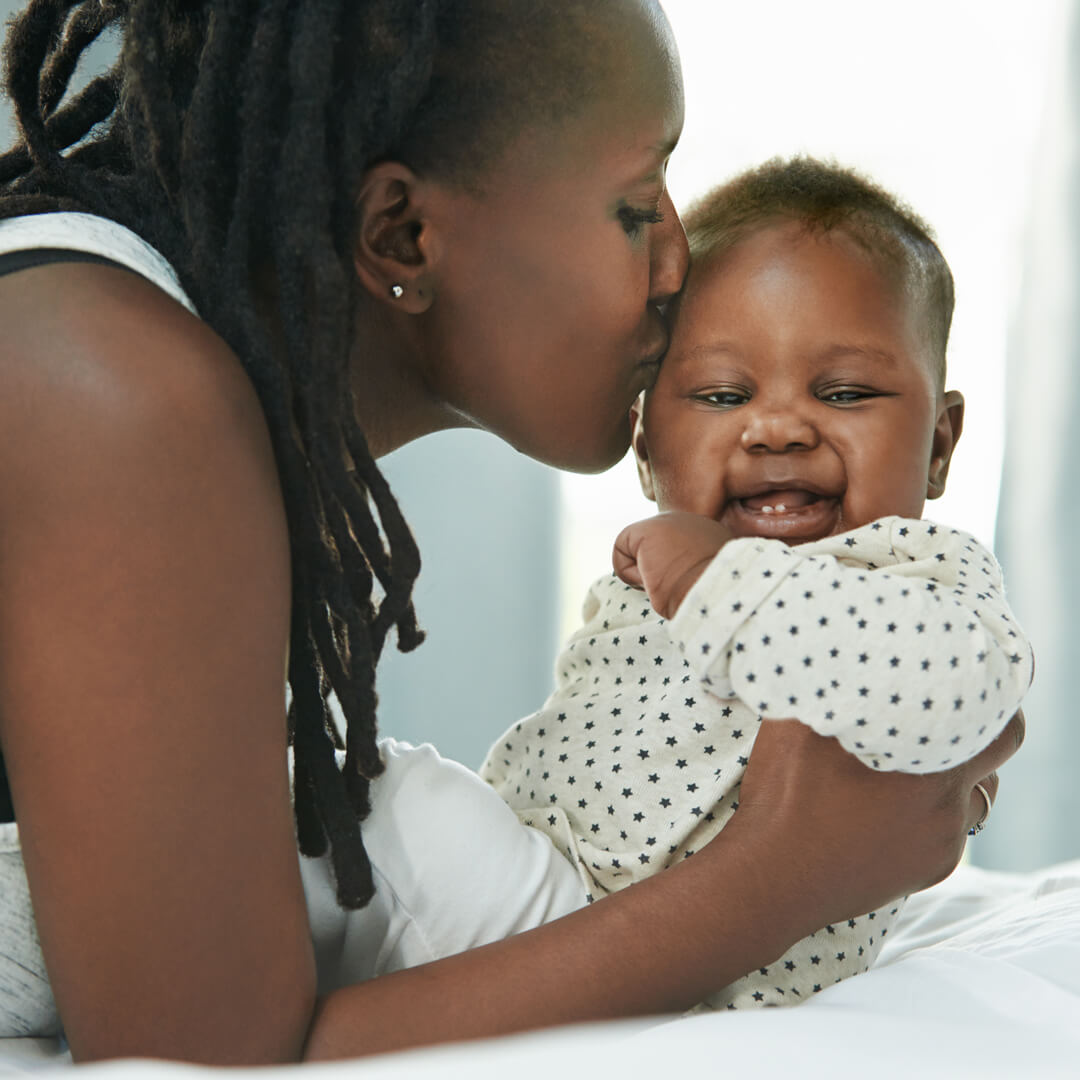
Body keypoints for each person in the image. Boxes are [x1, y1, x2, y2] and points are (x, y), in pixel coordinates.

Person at [0, 1, 1021, 1066]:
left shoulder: (140, 354)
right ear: (403, 234)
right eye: (638, 206)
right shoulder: (116, 390)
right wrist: (781, 877)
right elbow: (204, 1057)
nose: (680, 265)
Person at [478, 156, 1034, 1008]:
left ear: (938, 445)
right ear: (644, 450)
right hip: (521, 893)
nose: (777, 428)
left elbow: (962, 693)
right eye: (719, 395)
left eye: (844, 392)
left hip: (722, 975)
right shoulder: (653, 573)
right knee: (380, 811)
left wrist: (719, 584)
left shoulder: (916, 573)